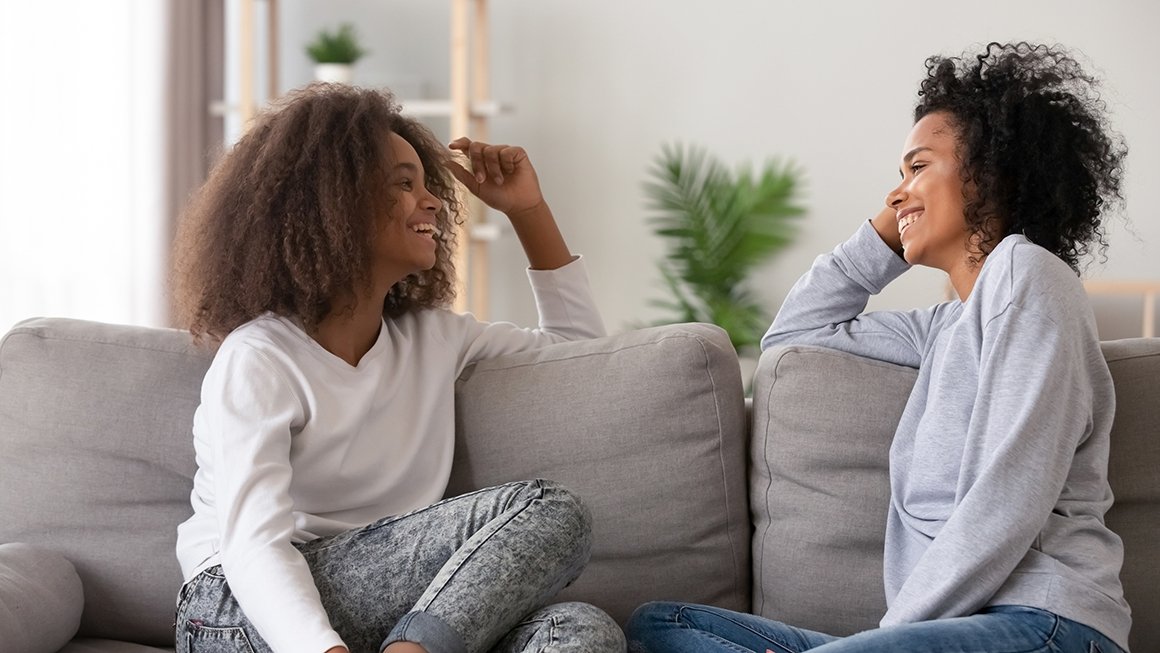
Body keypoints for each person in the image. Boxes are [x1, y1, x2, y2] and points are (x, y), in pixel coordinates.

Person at [626, 42, 1131, 653]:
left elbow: (1008, 500)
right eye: (898, 176)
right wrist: (891, 226)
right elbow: (794, 339)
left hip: (1045, 623)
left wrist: (893, 638)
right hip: (948, 630)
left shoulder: (1031, 278)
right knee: (662, 625)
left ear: (990, 172)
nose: (896, 193)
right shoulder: (946, 328)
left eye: (918, 166)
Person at [170, 83, 625, 653]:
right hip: (239, 613)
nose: (432, 201)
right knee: (551, 512)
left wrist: (528, 212)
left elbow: (581, 358)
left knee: (579, 631)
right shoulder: (258, 357)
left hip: (391, 613)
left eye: (426, 183)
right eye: (403, 185)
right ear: (332, 204)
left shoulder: (434, 336)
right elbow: (253, 545)